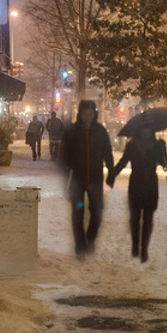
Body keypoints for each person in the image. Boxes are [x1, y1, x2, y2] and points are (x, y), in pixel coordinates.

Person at [61, 100, 114, 258]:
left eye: (90, 114)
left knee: (97, 212)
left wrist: (111, 172)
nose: (87, 117)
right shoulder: (73, 132)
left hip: (96, 179)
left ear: (94, 114)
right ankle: (80, 246)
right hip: (77, 179)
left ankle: (90, 238)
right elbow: (65, 155)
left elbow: (107, 153)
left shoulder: (100, 131)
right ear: (80, 114)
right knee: (77, 212)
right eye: (85, 114)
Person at [112, 125, 167, 263]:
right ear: (139, 130)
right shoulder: (132, 145)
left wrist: (163, 149)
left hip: (150, 185)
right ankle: (135, 245)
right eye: (144, 128)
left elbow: (165, 164)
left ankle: (144, 249)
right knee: (134, 218)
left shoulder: (157, 145)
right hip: (136, 184)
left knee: (148, 219)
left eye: (148, 129)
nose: (146, 131)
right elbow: (123, 161)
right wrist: (112, 174)